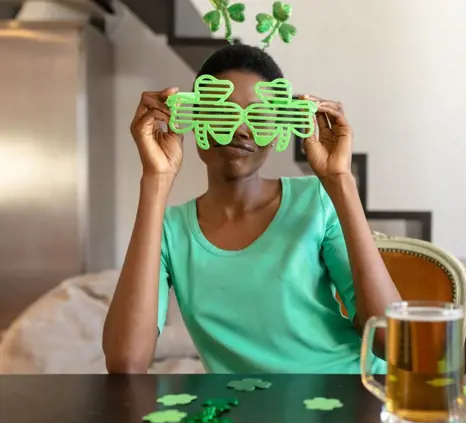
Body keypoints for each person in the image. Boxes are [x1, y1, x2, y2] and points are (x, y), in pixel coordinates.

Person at [102, 42, 401, 374]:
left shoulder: (316, 200)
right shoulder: (169, 232)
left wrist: (340, 180)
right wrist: (156, 180)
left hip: (350, 392)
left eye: (258, 118)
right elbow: (125, 363)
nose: (241, 130)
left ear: (276, 133)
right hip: (247, 412)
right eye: (221, 114)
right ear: (194, 120)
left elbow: (391, 341)